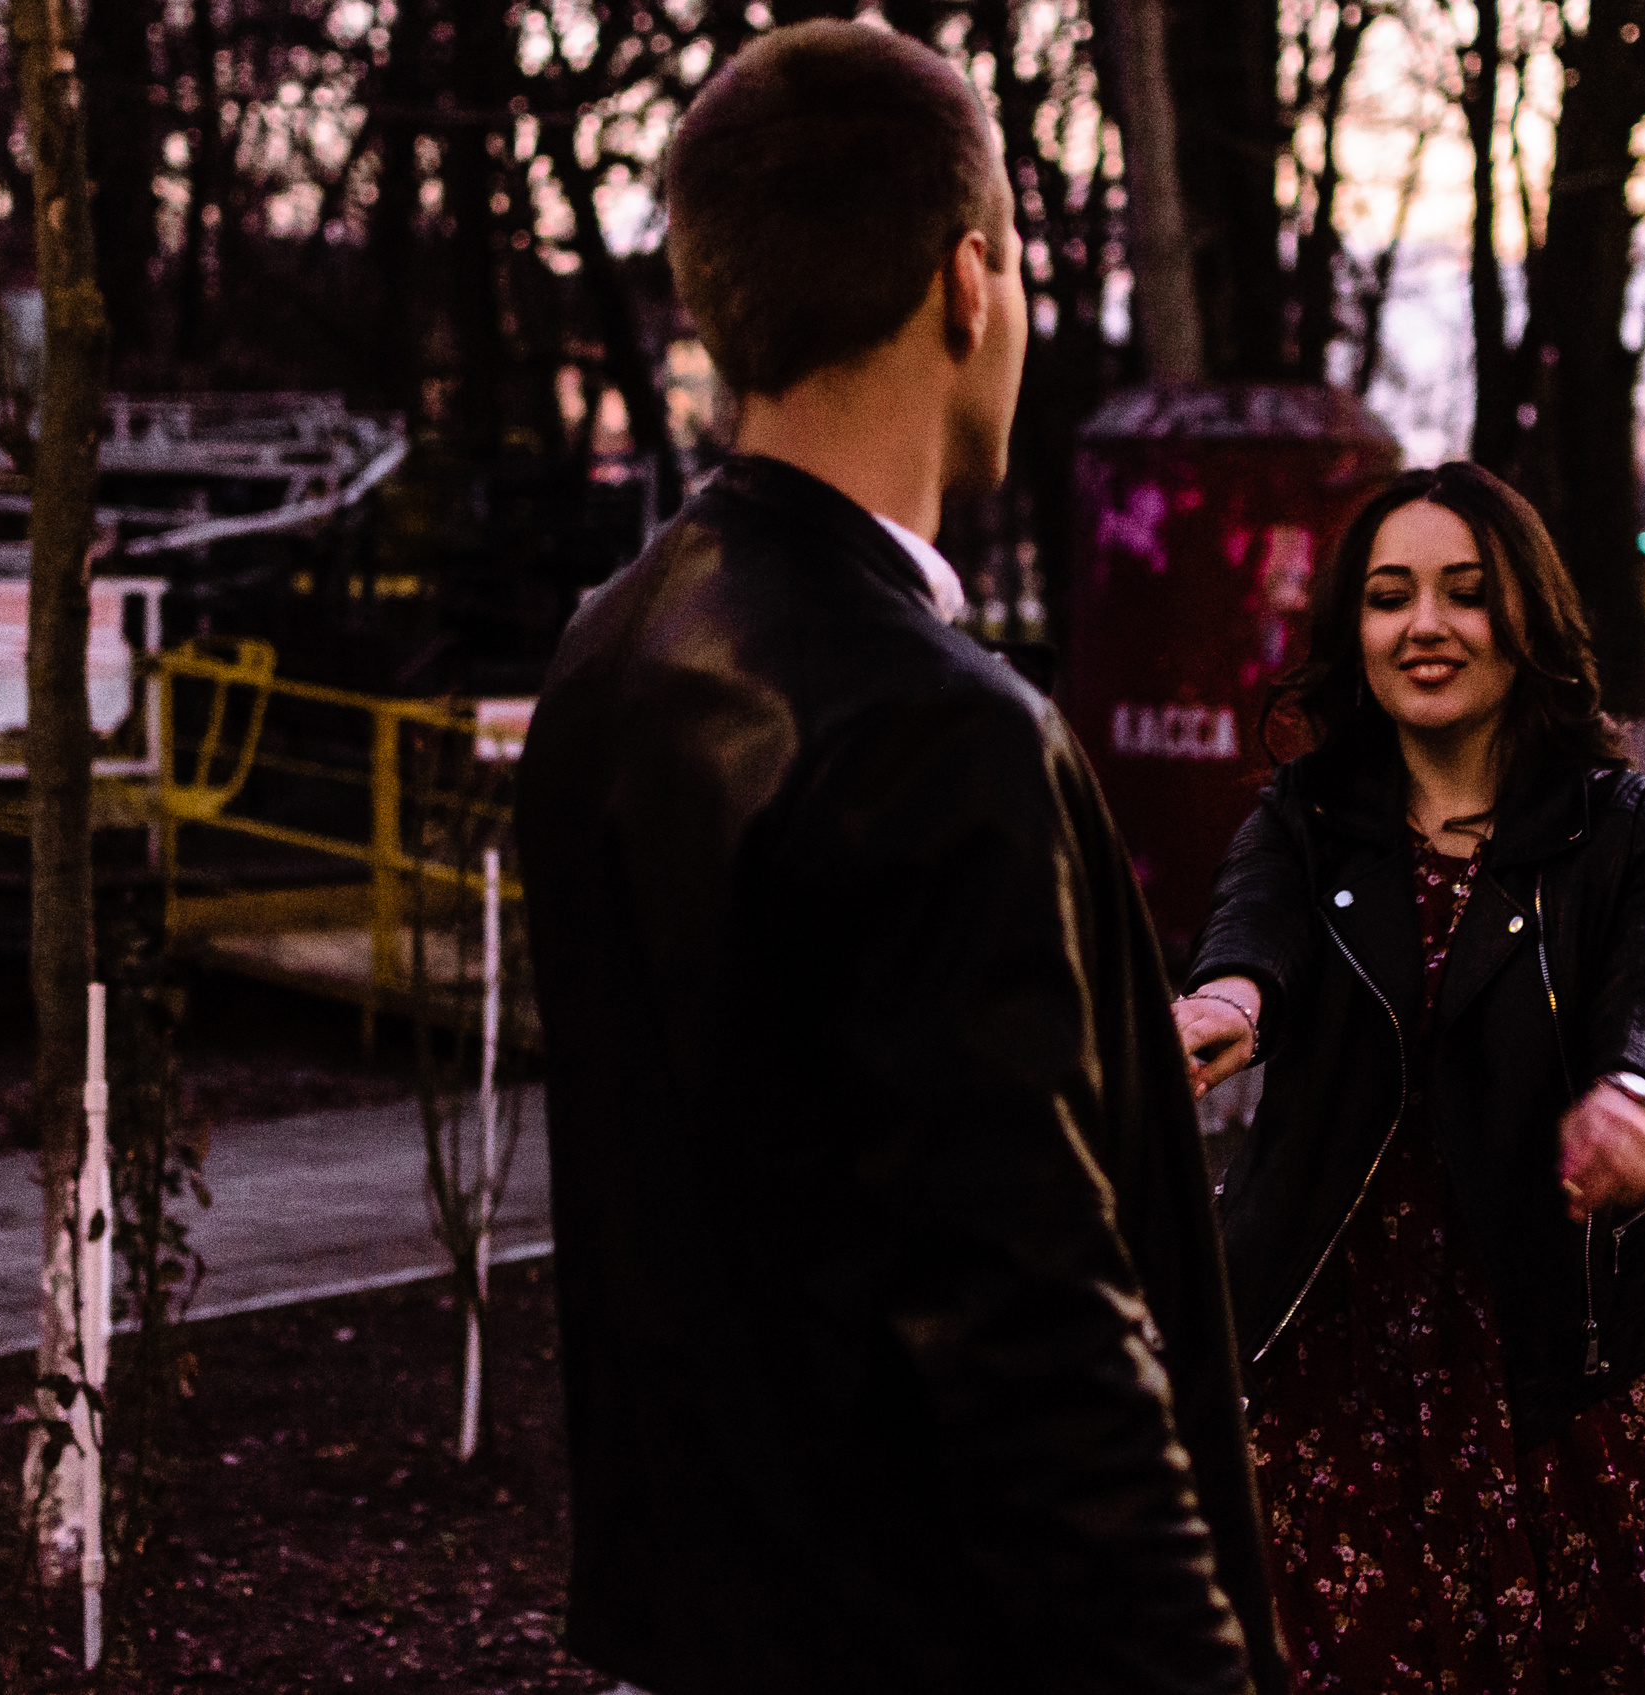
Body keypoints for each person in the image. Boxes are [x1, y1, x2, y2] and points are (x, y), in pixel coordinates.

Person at [514, 22, 1283, 1695]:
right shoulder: (942, 731)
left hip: (695, 1625)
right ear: (968, 285)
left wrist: (1098, 1073)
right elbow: (1037, 1342)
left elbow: (764, 1106)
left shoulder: (609, 654)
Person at [1174, 462, 1645, 1692]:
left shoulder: (1631, 829)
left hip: (1569, 1356)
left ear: (1525, 618)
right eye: (1389, 597)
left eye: (1462, 593)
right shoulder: (1302, 822)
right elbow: (1252, 936)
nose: (1423, 625)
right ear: (1354, 631)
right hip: (1330, 1368)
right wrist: (1229, 1001)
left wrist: (1637, 1097)